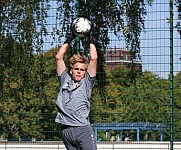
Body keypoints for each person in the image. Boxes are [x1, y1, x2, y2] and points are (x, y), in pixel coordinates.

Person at [55, 29, 98, 150]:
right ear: (71, 70)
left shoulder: (87, 83)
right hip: (66, 130)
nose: (79, 71)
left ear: (85, 72)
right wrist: (70, 38)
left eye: (82, 70)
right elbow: (59, 57)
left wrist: (91, 40)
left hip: (82, 129)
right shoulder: (64, 79)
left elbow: (94, 59)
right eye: (76, 69)